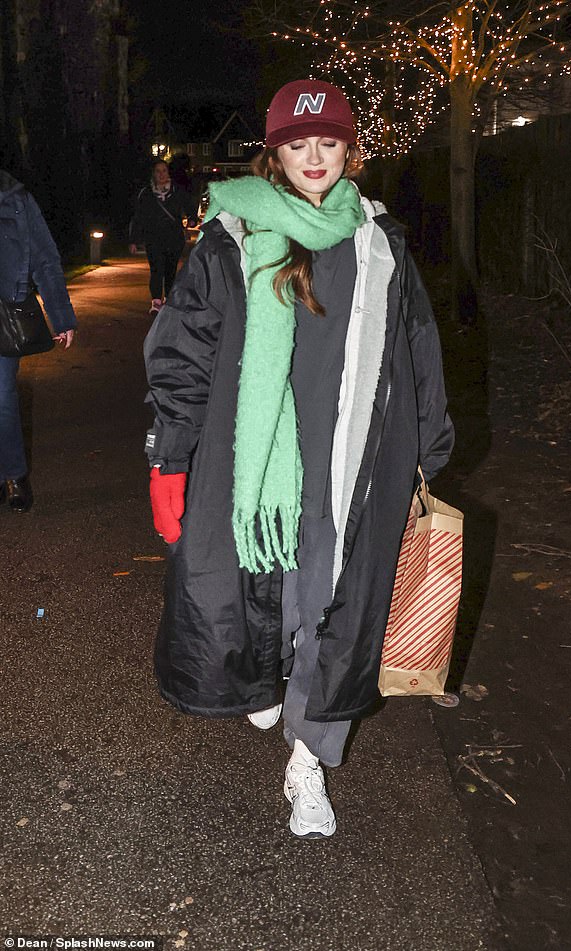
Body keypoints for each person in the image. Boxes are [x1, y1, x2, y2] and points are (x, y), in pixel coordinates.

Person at [143, 80, 454, 839]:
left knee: (334, 614)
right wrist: (168, 457)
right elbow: (180, 355)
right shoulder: (233, 238)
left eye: (328, 143)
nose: (314, 157)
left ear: (350, 150)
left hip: (353, 472)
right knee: (261, 603)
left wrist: (430, 445)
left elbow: (418, 351)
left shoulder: (381, 244)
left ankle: (309, 759)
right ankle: (261, 675)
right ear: (275, 154)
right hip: (252, 471)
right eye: (297, 144)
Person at [0, 170, 77, 513]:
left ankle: (14, 475)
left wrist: (61, 316)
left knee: (1, 397)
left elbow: (45, 257)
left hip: (5, 316)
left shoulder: (16, 199)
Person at [129, 159, 198, 317]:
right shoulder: (146, 194)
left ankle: (169, 299)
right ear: (153, 174)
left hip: (174, 238)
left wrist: (192, 218)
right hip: (153, 238)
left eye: (164, 171)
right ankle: (156, 302)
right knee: (156, 269)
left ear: (168, 173)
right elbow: (138, 217)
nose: (161, 174)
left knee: (170, 269)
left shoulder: (177, 191)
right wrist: (134, 239)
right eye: (158, 171)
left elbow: (189, 206)